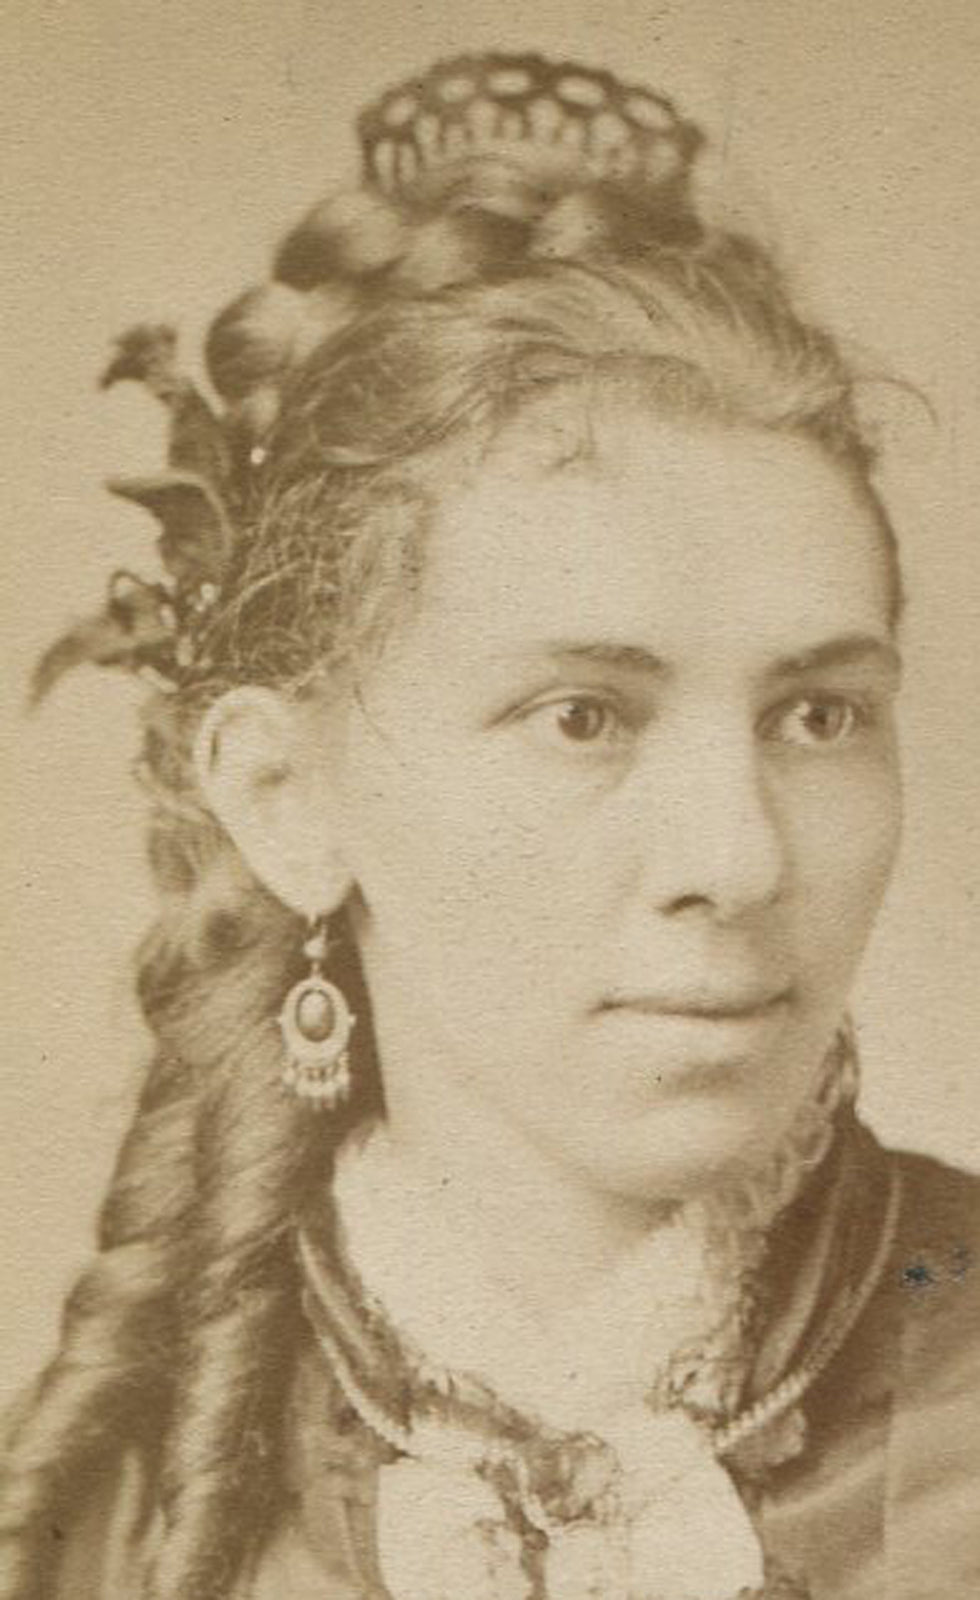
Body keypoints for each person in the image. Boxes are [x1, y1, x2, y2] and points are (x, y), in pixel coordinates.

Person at [1, 50, 978, 1600]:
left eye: (819, 715)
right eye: (584, 716)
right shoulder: (114, 1522)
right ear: (287, 799)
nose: (738, 860)